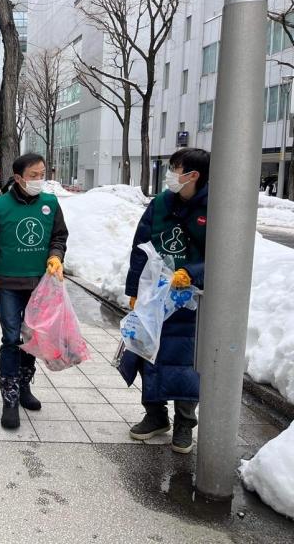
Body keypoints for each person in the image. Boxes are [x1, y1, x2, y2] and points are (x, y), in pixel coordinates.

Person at [118, 148, 210, 454]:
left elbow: (225, 255)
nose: (170, 174)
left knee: (184, 362)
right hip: (154, 295)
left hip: (191, 299)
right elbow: (140, 247)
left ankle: (185, 423)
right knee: (148, 356)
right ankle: (155, 415)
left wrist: (194, 273)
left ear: (193, 175)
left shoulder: (215, 207)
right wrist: (134, 290)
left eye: (175, 169)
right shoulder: (160, 204)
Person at [0, 153, 68, 429]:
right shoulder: (0, 205)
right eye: (34, 175)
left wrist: (55, 256)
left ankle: (25, 385)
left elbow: (59, 236)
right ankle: (10, 397)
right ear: (18, 178)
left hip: (40, 284)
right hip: (8, 284)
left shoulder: (50, 204)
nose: (40, 179)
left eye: (43, 174)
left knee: (32, 338)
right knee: (12, 338)